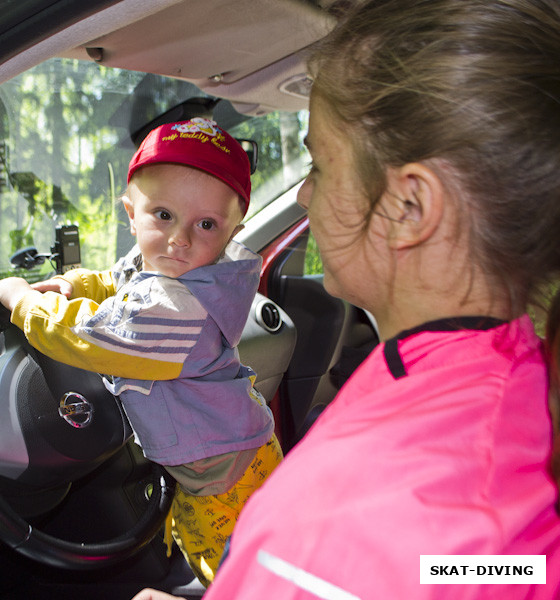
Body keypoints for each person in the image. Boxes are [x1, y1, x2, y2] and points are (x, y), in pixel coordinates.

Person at [133, 0, 560, 598]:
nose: (305, 195)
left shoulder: (339, 530)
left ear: (409, 207)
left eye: (320, 165)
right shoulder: (516, 378)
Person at [0, 117, 282, 586]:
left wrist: (23, 301)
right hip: (216, 457)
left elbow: (92, 336)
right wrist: (71, 283)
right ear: (131, 212)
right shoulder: (168, 265)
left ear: (230, 233)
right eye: (162, 215)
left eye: (206, 224)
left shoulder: (181, 307)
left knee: (234, 574)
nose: (179, 239)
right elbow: (119, 281)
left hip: (224, 476)